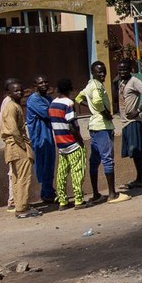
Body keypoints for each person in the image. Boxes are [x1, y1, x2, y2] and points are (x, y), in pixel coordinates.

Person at [76, 61, 128, 204]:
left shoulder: (89, 85)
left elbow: (79, 98)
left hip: (93, 126)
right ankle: (112, 194)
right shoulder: (96, 86)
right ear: (93, 73)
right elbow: (98, 101)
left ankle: (96, 194)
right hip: (102, 126)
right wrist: (105, 113)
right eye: (99, 72)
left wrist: (91, 108)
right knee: (107, 159)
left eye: (103, 71)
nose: (102, 74)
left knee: (95, 160)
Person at [1, 78, 41, 219]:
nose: (19, 93)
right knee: (23, 177)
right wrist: (23, 146)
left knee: (18, 178)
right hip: (16, 145)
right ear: (9, 93)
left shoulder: (15, 105)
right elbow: (13, 130)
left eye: (20, 90)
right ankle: (22, 208)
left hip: (16, 145)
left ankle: (21, 205)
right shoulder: (11, 107)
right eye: (16, 91)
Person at [48, 78, 87, 209]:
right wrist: (80, 140)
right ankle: (79, 199)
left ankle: (63, 200)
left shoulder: (53, 103)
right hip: (72, 143)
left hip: (60, 143)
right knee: (77, 171)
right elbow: (71, 125)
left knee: (62, 173)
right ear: (70, 89)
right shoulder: (69, 104)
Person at [116, 60, 142, 187]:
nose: (122, 72)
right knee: (132, 151)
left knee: (136, 150)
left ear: (130, 69)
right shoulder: (121, 82)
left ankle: (140, 178)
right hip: (125, 122)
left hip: (133, 121)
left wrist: (138, 110)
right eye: (120, 70)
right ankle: (139, 178)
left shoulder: (134, 81)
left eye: (125, 69)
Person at [25, 75, 57, 205]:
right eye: (40, 83)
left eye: (46, 81)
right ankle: (47, 193)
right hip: (39, 137)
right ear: (35, 86)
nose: (44, 84)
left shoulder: (48, 98)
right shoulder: (34, 100)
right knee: (43, 165)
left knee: (50, 164)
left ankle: (48, 192)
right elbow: (49, 113)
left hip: (48, 135)